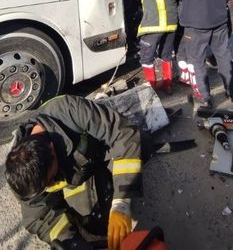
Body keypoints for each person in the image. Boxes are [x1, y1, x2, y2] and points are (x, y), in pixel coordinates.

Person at [5, 95, 144, 250]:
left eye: (51, 179)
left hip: (100, 155)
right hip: (77, 175)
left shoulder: (70, 111)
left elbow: (124, 134)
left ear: (51, 148)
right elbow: (37, 217)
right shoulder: (18, 173)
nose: (51, 185)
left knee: (111, 216)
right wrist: (69, 242)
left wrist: (121, 203)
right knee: (95, 224)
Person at [121, 0, 178, 93]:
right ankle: (167, 86)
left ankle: (153, 89)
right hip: (171, 23)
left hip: (154, 24)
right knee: (166, 55)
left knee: (146, 58)